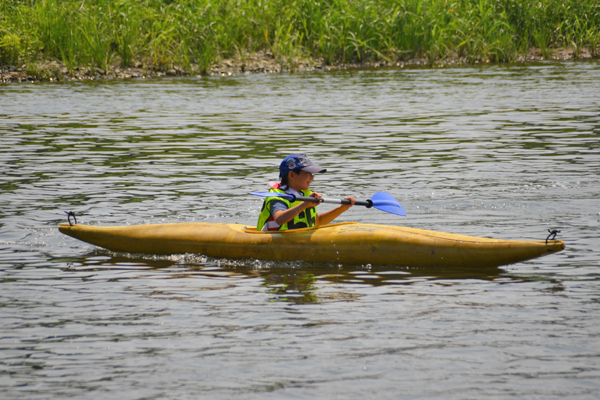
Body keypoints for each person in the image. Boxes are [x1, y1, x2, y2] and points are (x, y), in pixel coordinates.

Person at [257, 154, 356, 231]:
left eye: (312, 174)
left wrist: (342, 208)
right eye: (307, 174)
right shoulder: (278, 196)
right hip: (273, 240)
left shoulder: (304, 195)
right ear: (292, 175)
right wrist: (304, 205)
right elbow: (279, 219)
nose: (312, 178)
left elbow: (318, 222)